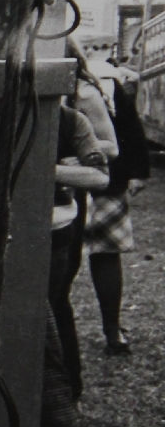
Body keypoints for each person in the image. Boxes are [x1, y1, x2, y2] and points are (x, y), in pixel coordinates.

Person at [43, 104, 108, 427]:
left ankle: (61, 412)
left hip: (53, 233)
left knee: (49, 316)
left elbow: (99, 176)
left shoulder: (69, 119)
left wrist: (48, 170)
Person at [81, 39, 150, 356]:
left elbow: (129, 125)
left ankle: (112, 327)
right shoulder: (107, 79)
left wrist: (136, 171)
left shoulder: (105, 80)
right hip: (96, 175)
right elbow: (131, 125)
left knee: (103, 253)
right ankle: (110, 329)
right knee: (100, 254)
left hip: (102, 175)